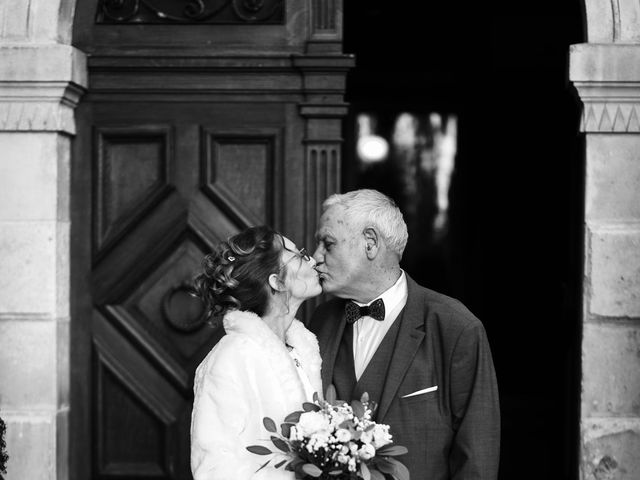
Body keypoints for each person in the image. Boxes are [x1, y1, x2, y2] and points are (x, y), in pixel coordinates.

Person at [309, 189, 500, 480]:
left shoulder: (455, 327)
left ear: (370, 243)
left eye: (328, 244)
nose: (315, 257)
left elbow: (478, 455)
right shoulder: (320, 321)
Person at [190, 225, 323, 480]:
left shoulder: (304, 352)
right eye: (298, 254)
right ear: (277, 282)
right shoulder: (232, 356)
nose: (312, 260)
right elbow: (213, 469)